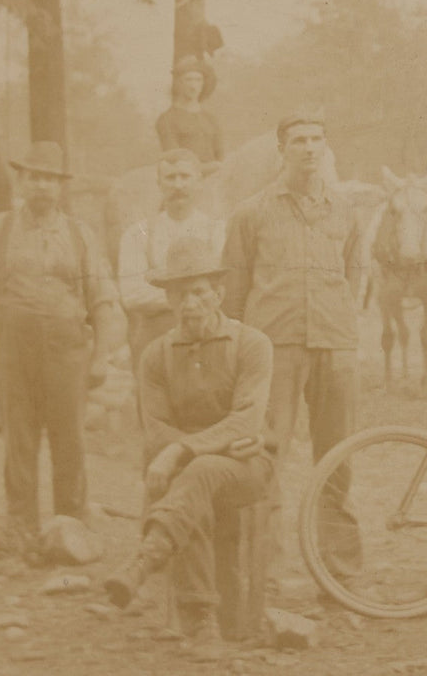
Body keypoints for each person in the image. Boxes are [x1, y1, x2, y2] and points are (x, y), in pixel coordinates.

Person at [0, 141, 118, 539]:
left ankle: (69, 527)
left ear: (60, 187)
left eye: (50, 180)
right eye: (35, 178)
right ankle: (20, 529)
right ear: (22, 180)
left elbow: (102, 300)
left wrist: (101, 357)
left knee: (69, 437)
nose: (42, 187)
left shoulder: (79, 234)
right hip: (14, 349)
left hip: (68, 349)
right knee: (19, 436)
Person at [104, 237, 273, 661]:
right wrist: (190, 452)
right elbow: (156, 428)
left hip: (247, 467)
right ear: (168, 299)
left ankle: (145, 561)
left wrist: (183, 451)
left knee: (191, 472)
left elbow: (246, 421)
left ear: (218, 293)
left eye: (199, 291)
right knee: (193, 479)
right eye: (180, 293)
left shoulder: (252, 344)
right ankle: (202, 622)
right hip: (192, 474)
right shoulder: (156, 355)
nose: (190, 303)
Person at [220, 110, 363, 577]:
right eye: (298, 140)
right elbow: (235, 294)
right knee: (265, 453)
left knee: (337, 456)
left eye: (317, 139)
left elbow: (356, 273)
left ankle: (339, 572)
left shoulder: (345, 211)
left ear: (325, 147)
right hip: (273, 348)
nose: (308, 148)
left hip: (334, 347)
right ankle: (262, 572)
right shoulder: (251, 213)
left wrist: (342, 324)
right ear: (281, 150)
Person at [118, 148, 225, 375]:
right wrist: (195, 297)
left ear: (199, 182)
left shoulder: (216, 231)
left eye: (185, 177)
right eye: (170, 177)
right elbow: (131, 295)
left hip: (206, 339)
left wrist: (167, 293)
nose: (178, 185)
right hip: (154, 340)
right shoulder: (137, 234)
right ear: (159, 184)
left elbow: (223, 290)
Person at [155, 55, 222, 173]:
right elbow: (176, 159)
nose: (193, 86)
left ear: (203, 84)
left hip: (214, 180)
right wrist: (212, 168)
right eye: (188, 79)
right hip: (184, 181)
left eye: (198, 80)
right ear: (179, 83)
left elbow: (220, 156)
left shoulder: (211, 119)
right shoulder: (167, 119)